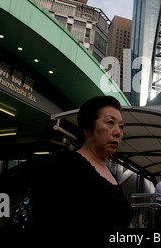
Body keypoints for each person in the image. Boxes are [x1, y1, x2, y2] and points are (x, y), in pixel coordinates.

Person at [29, 96, 134, 229]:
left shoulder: (113, 175)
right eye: (110, 122)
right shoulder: (66, 165)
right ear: (87, 128)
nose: (118, 132)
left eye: (121, 126)